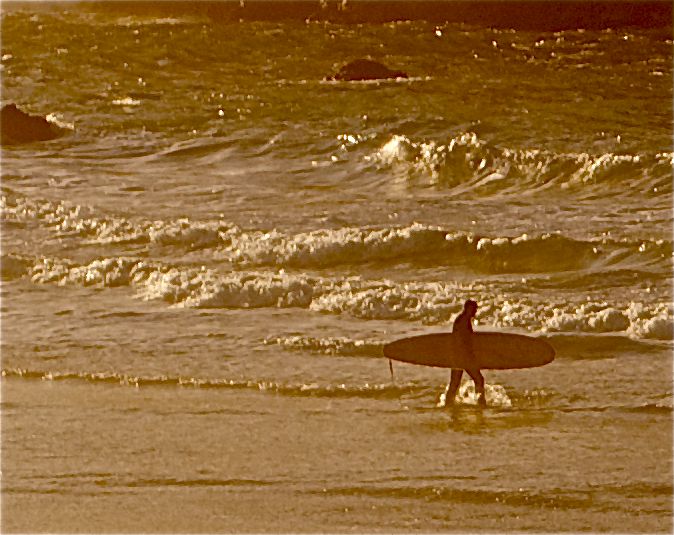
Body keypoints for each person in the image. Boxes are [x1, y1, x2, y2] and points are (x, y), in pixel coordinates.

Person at [442, 299, 486, 407]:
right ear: (469, 308)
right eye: (474, 309)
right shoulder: (462, 321)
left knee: (455, 383)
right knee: (479, 379)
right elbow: (462, 341)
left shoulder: (463, 320)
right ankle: (481, 404)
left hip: (458, 357)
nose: (475, 312)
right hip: (462, 358)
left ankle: (448, 404)